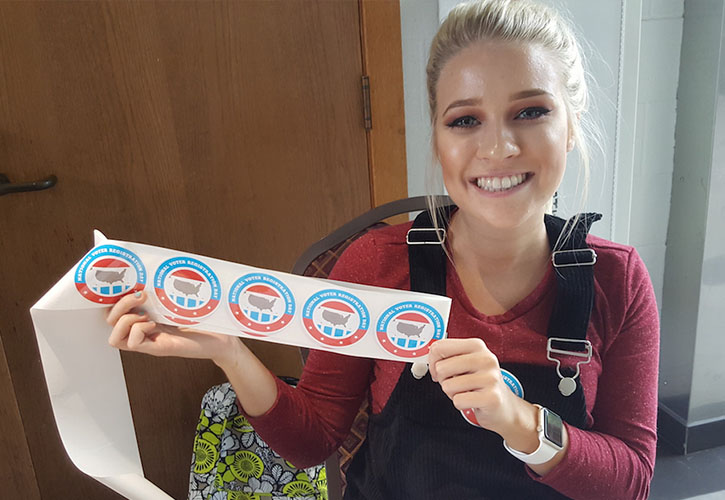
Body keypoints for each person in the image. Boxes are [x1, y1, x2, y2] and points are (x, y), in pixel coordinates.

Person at [106, 0, 660, 498]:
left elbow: (631, 480)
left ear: (570, 126)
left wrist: (520, 421)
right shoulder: (378, 262)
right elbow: (312, 441)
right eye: (465, 120)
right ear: (438, 140)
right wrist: (229, 350)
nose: (498, 147)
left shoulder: (617, 280)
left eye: (531, 111)